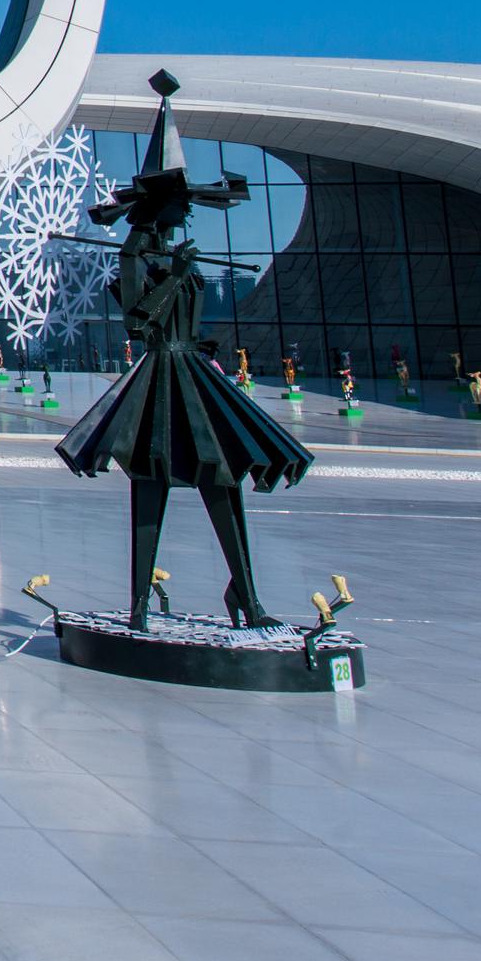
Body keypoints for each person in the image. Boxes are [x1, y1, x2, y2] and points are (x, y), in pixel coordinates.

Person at [55, 74, 315, 628]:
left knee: (224, 482)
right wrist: (173, 276)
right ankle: (139, 606)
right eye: (181, 205)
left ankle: (246, 596)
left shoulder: (178, 254)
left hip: (195, 376)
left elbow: (189, 321)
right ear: (159, 207)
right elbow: (137, 322)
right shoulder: (137, 259)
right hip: (159, 382)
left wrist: (182, 278)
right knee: (151, 490)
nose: (187, 216)